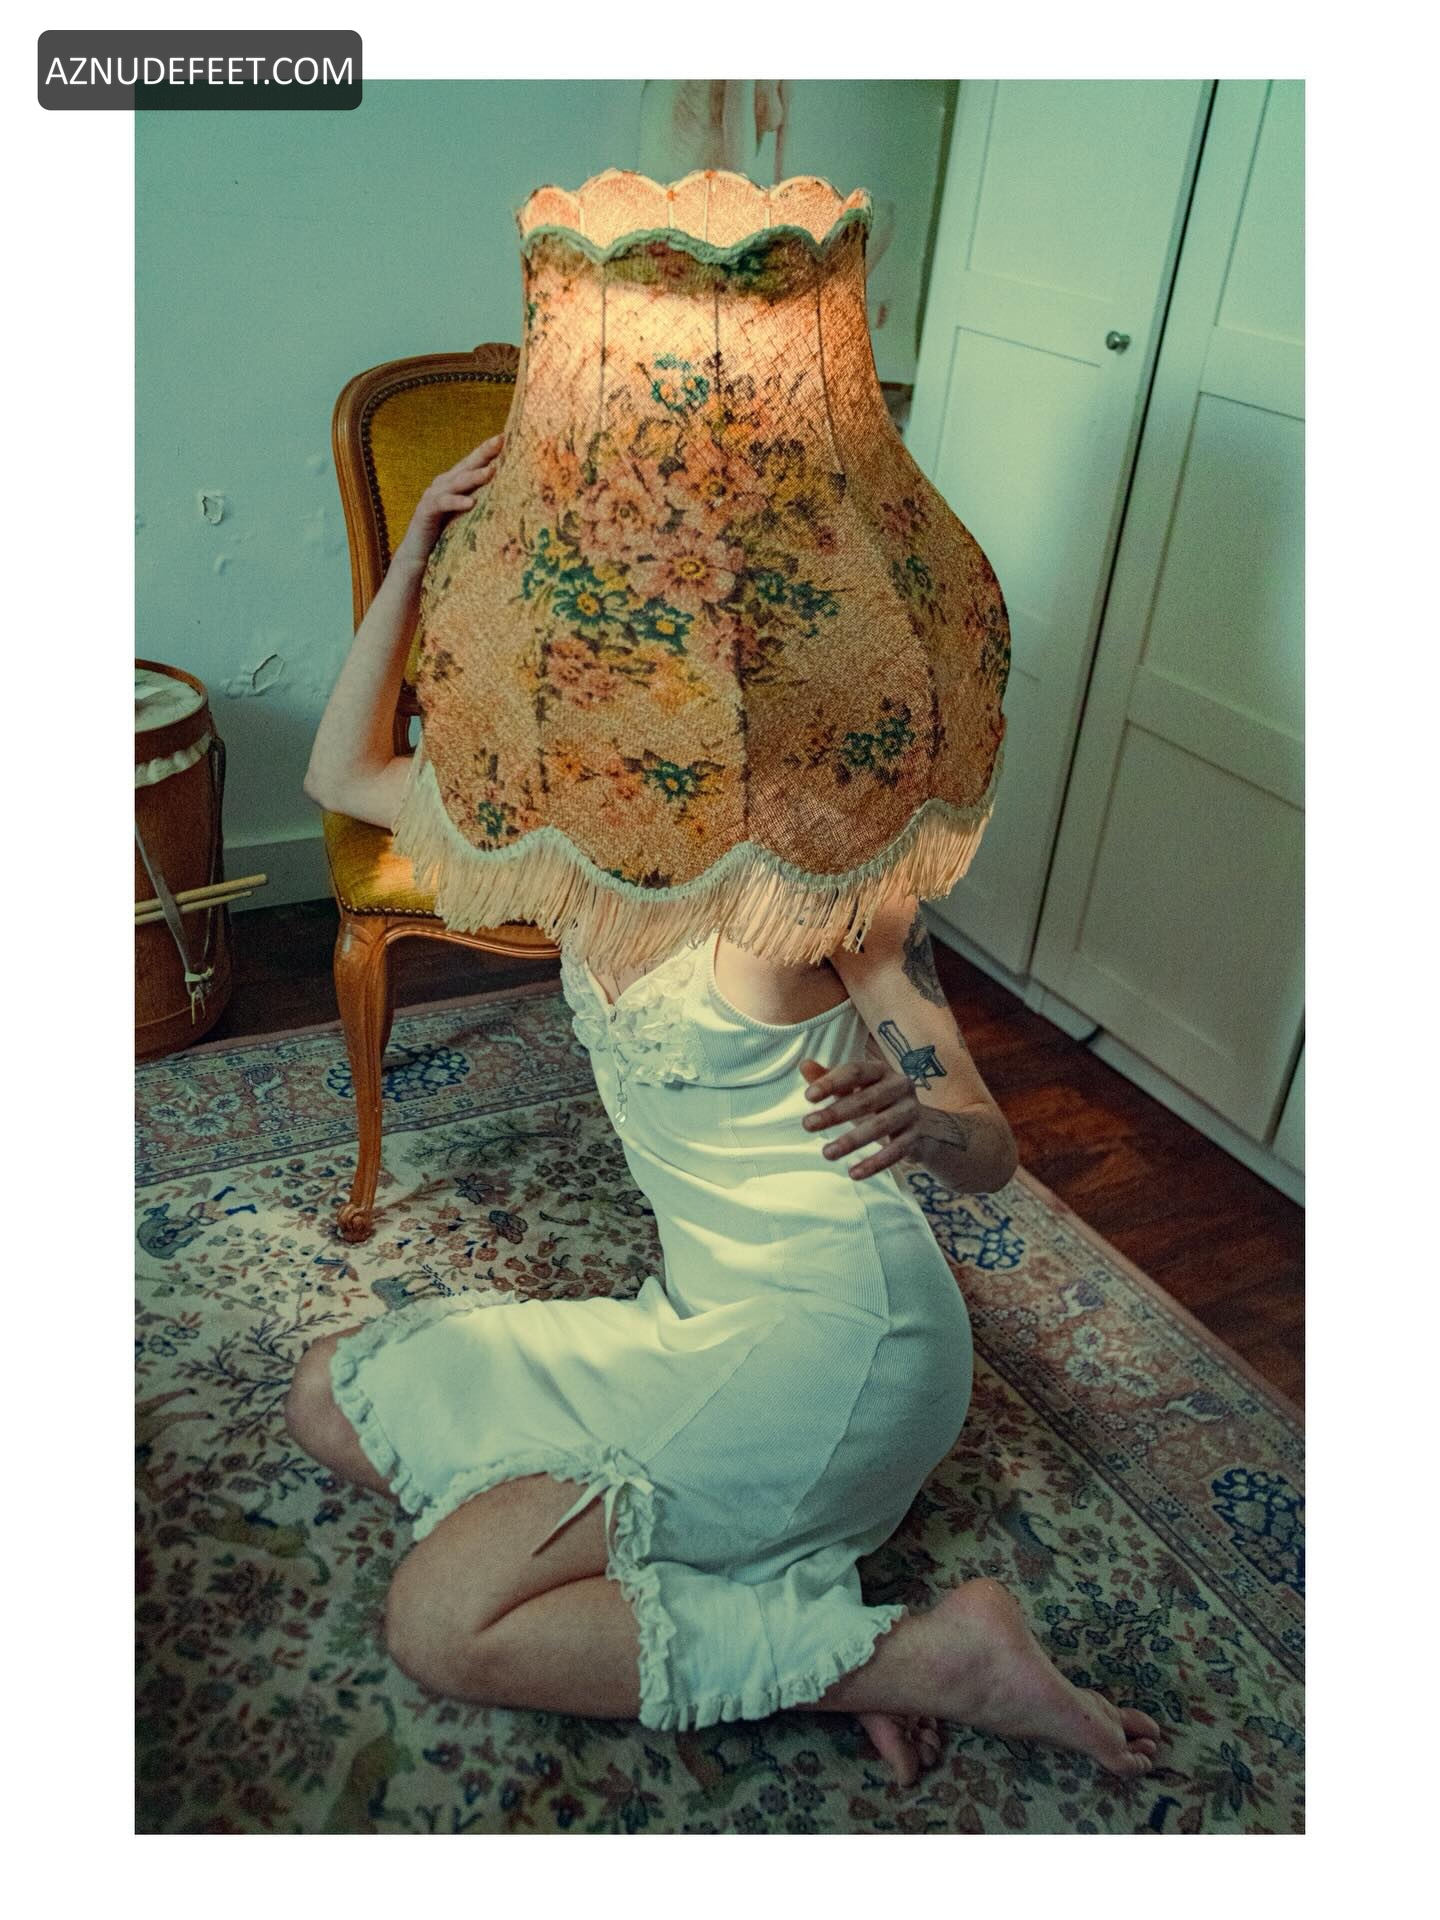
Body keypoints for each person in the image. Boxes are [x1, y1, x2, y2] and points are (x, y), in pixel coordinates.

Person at [289, 438, 1163, 1790]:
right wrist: (413, 554)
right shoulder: (559, 843)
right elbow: (343, 777)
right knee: (332, 1399)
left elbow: (990, 1152)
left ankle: (932, 1655)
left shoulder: (814, 886)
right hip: (694, 1316)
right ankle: (770, 1575)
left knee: (443, 1619)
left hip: (845, 1335)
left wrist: (923, 1121)